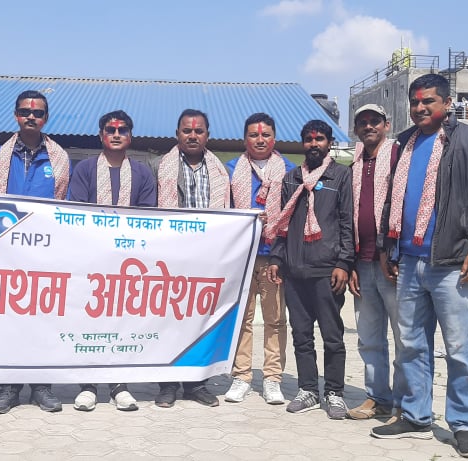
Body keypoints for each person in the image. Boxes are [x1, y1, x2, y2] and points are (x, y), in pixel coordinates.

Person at [371, 73, 468, 459]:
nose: (419, 107)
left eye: (428, 101)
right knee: (412, 345)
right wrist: (387, 247)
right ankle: (415, 416)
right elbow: (391, 200)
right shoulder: (404, 143)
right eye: (414, 102)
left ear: (447, 103)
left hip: (451, 263)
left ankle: (462, 424)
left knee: (458, 348)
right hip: (409, 261)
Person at [68, 110, 156, 412]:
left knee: (123, 324)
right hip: (91, 261)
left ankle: (120, 385)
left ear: (130, 136)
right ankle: (88, 385)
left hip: (128, 264)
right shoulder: (85, 169)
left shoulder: (142, 173)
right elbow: (78, 214)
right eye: (110, 129)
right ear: (101, 135)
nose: (116, 134)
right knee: (89, 323)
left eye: (122, 130)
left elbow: (147, 218)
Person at [0, 90, 70, 414]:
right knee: (8, 320)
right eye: (25, 112)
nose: (31, 117)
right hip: (6, 252)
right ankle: (8, 387)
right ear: (16, 115)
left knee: (43, 321)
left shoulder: (59, 158)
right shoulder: (0, 155)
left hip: (46, 253)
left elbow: (65, 206)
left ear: (46, 118)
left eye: (37, 113)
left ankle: (41, 387)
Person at [267, 120, 354, 420]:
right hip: (295, 270)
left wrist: (344, 262)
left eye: (319, 139)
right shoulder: (292, 178)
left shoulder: (340, 176)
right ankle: (308, 390)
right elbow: (282, 223)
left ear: (329, 143)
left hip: (326, 270)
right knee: (301, 335)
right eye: (308, 139)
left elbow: (347, 222)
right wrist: (277, 258)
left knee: (332, 335)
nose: (313, 144)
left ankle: (335, 392)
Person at [150, 108, 230, 408]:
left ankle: (196, 384)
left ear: (207, 135)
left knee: (200, 320)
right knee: (167, 319)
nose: (193, 135)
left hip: (207, 258)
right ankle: (167, 384)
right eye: (187, 130)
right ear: (177, 134)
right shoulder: (158, 166)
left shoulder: (221, 171)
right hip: (169, 257)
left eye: (198, 131)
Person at [225, 113, 294, 405]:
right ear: (245, 139)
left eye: (266, 135)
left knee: (275, 319)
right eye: (254, 135)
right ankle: (241, 376)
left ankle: (272, 378)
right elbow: (224, 211)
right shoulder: (231, 169)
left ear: (274, 139)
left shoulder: (289, 171)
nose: (260, 140)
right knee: (242, 319)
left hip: (273, 256)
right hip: (242, 257)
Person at [346, 104, 402, 421]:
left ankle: (405, 405)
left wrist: (394, 253)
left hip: (392, 262)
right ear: (356, 130)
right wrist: (352, 263)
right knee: (369, 337)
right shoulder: (354, 165)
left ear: (386, 125)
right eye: (363, 122)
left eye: (374, 121)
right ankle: (378, 397)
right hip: (363, 262)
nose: (369, 126)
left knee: (404, 337)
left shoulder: (398, 157)